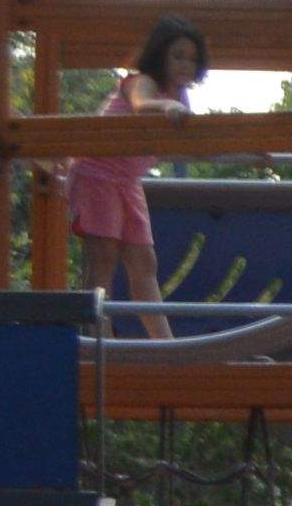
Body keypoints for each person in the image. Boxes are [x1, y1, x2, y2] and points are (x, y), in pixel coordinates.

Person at [69, 19, 207, 335]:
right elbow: (143, 106)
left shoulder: (179, 98)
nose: (186, 64)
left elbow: (189, 148)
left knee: (144, 263)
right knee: (103, 257)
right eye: (178, 56)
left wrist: (247, 154)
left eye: (192, 58)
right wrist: (166, 105)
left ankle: (165, 344)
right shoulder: (141, 82)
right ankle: (96, 339)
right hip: (98, 172)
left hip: (128, 182)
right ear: (160, 56)